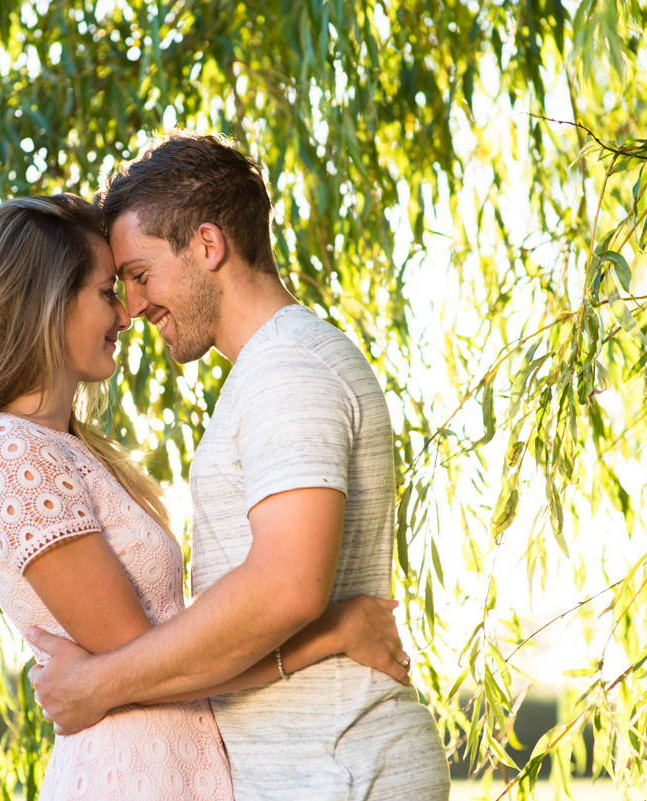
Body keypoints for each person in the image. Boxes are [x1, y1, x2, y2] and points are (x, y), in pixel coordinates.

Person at [0, 194, 417, 800]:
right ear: (48, 305)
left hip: (173, 766)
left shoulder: (63, 449)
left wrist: (94, 683)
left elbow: (144, 664)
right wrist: (332, 632)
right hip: (133, 774)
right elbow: (150, 663)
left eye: (128, 284)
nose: (127, 314)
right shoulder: (12, 452)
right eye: (108, 291)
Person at [25, 135, 451, 799]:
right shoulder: (271, 369)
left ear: (207, 245)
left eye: (140, 275)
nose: (132, 307)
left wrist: (96, 685)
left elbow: (287, 585)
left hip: (336, 766)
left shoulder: (287, 367)